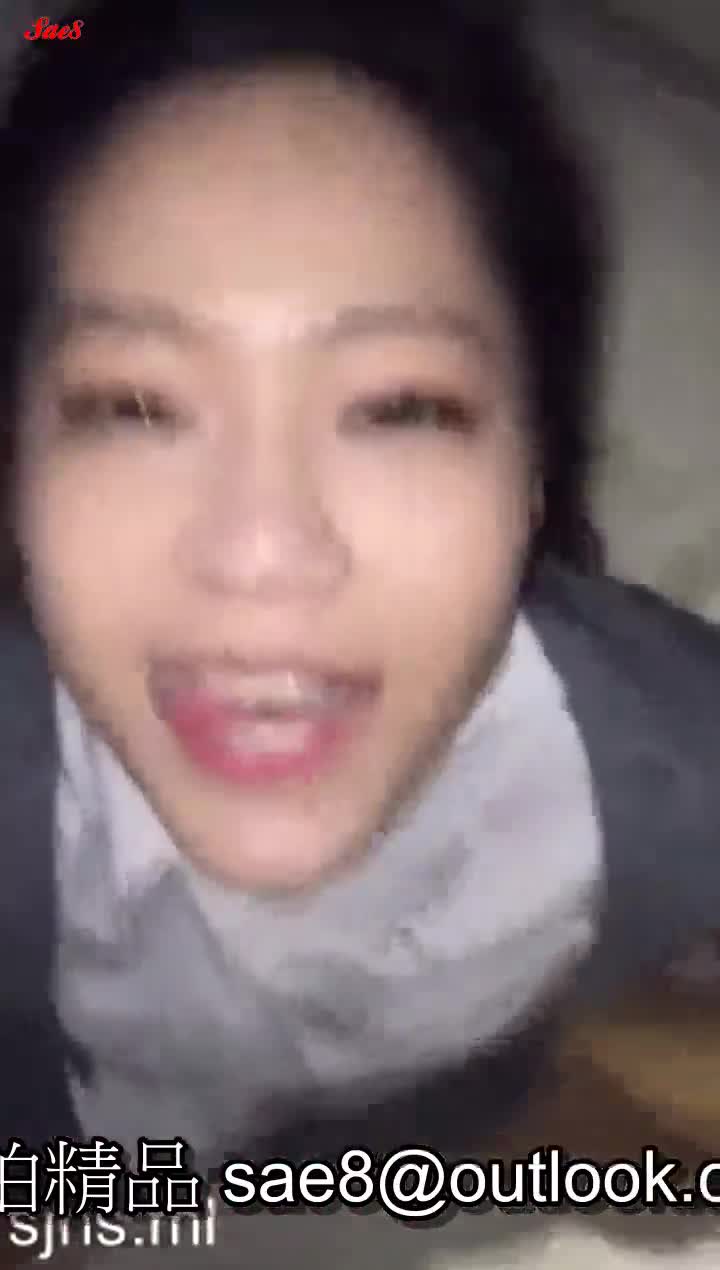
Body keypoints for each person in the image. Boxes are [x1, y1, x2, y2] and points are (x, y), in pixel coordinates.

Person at [0, 0, 717, 1169]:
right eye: (133, 406)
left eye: (398, 408)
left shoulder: (672, 765)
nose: (260, 551)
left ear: (533, 467)